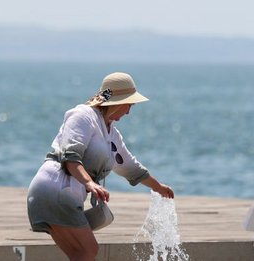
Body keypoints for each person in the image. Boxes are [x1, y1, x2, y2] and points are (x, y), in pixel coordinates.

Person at [27, 72, 174, 261]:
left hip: (62, 193)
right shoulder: (82, 115)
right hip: (54, 187)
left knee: (80, 254)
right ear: (118, 101)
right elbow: (70, 156)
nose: (129, 111)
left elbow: (130, 167)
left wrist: (159, 187)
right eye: (129, 105)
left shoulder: (111, 133)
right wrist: (90, 183)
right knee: (89, 250)